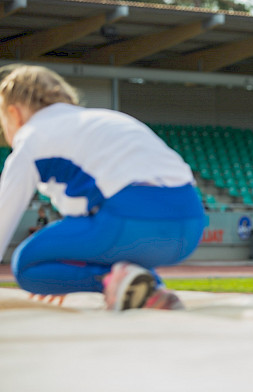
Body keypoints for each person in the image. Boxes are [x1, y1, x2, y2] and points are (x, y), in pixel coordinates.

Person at [0, 65, 206, 310]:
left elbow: (4, 214)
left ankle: (114, 282)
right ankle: (145, 286)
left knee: (26, 265)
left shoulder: (31, 136)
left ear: (14, 113)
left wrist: (69, 276)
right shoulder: (108, 119)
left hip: (129, 222)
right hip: (190, 227)